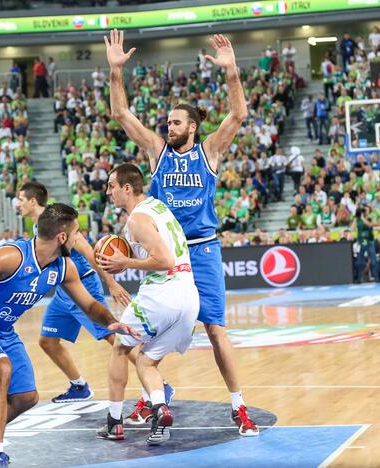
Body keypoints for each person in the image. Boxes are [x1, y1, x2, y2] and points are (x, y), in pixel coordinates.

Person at [105, 29, 258, 436]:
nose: (167, 126)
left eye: (175, 122)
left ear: (192, 126)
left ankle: (238, 407)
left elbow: (238, 115)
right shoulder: (157, 152)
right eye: (167, 121)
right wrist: (116, 72)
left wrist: (231, 73)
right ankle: (154, 395)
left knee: (216, 328)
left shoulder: (209, 151)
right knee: (149, 332)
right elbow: (122, 115)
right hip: (164, 255)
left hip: (202, 251)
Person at [0, 203, 138, 467]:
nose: (80, 237)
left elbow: (89, 305)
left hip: (2, 329)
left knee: (26, 397)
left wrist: (112, 322)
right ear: (62, 237)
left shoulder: (64, 268)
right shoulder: (11, 256)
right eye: (77, 233)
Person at [17, 181, 152, 404]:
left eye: (21, 199)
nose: (18, 204)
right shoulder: (38, 225)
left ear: (33, 201)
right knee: (48, 341)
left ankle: (158, 383)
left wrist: (111, 283)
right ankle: (79, 387)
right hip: (64, 290)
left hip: (83, 285)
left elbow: (89, 252)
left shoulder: (58, 220)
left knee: (113, 336)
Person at [95, 164, 199, 444]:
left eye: (111, 186)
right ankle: (160, 410)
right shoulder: (158, 208)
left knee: (119, 346)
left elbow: (164, 260)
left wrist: (124, 262)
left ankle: (114, 422)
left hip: (163, 292)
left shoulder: (137, 219)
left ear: (127, 188)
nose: (108, 192)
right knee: (146, 361)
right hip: (189, 297)